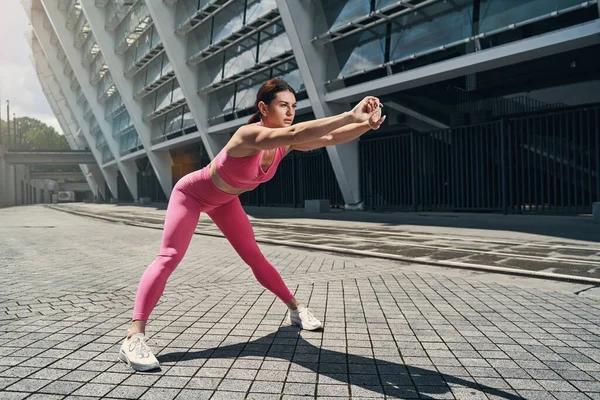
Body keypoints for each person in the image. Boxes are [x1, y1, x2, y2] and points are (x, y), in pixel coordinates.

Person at [119, 78, 386, 371]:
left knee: (255, 258)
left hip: (225, 201)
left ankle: (296, 310)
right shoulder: (247, 135)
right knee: (169, 256)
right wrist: (350, 114)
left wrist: (365, 126)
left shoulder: (284, 144)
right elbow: (299, 130)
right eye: (283, 105)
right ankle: (134, 337)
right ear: (263, 108)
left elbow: (328, 138)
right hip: (192, 194)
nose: (290, 112)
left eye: (294, 107)